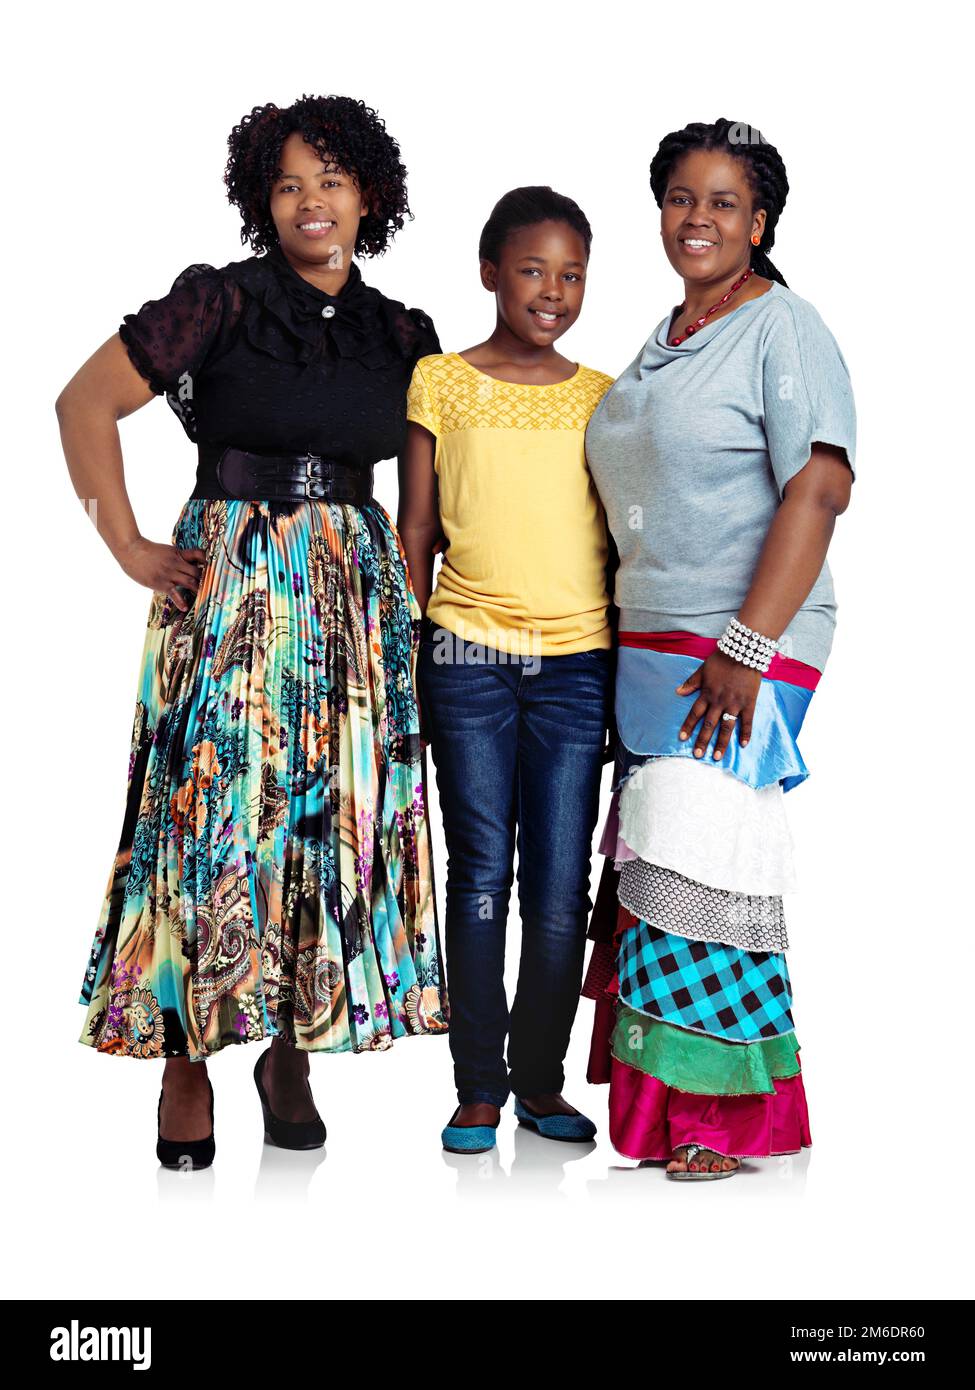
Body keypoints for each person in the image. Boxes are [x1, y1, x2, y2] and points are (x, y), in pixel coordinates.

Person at [56, 94, 448, 1171]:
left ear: (371, 196)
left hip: (352, 605)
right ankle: (188, 1055)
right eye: (287, 183)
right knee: (212, 812)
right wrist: (129, 545)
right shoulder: (215, 305)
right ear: (259, 200)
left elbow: (425, 497)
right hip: (231, 587)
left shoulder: (403, 333)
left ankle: (289, 1046)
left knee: (319, 818)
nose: (310, 202)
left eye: (331, 180)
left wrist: (408, 618)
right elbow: (81, 405)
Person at [582, 118, 856, 1179]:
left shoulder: (783, 328)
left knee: (707, 859)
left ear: (762, 221)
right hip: (651, 650)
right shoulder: (666, 338)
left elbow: (820, 487)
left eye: (725, 202)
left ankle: (719, 1119)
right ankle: (669, 1115)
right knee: (661, 865)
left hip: (748, 640)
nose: (699, 218)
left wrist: (745, 645)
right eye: (682, 198)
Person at [399, 187, 615, 1154]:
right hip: (466, 655)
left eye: (570, 275)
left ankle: (541, 1082)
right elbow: (415, 527)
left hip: (576, 664)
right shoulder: (439, 381)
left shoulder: (604, 396)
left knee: (560, 886)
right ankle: (478, 1085)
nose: (552, 291)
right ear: (489, 270)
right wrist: (408, 647)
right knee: (482, 870)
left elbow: (618, 536)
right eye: (532, 269)